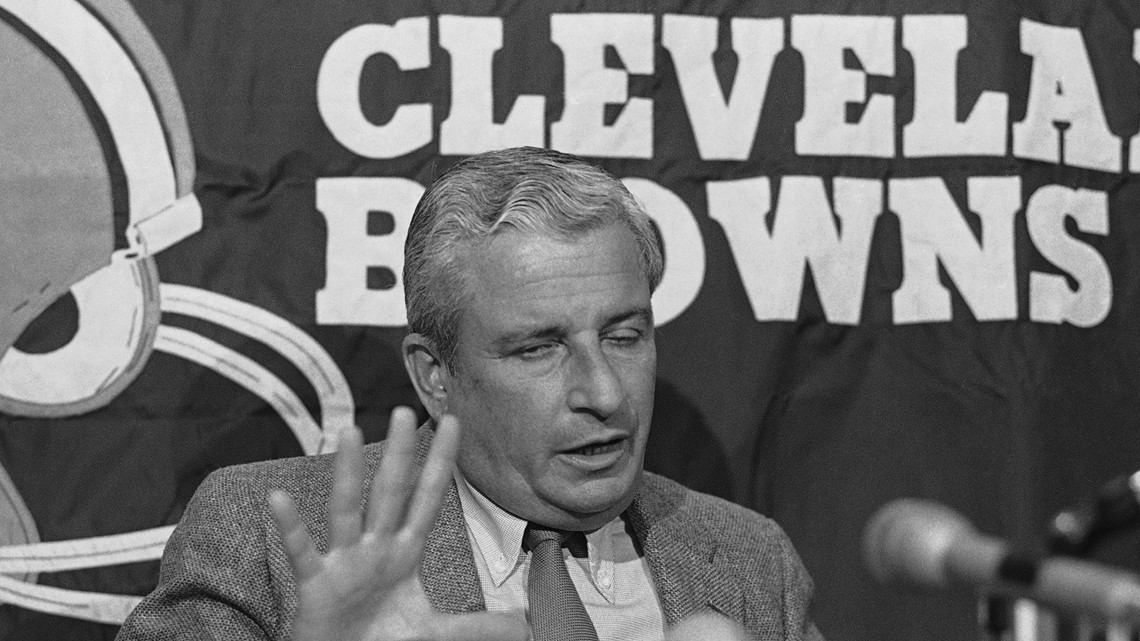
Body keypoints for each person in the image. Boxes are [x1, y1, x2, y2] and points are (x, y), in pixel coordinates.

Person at [116, 147, 823, 641]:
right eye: (539, 347)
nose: (605, 392)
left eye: (625, 334)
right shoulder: (265, 538)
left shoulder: (750, 561)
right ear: (436, 375)